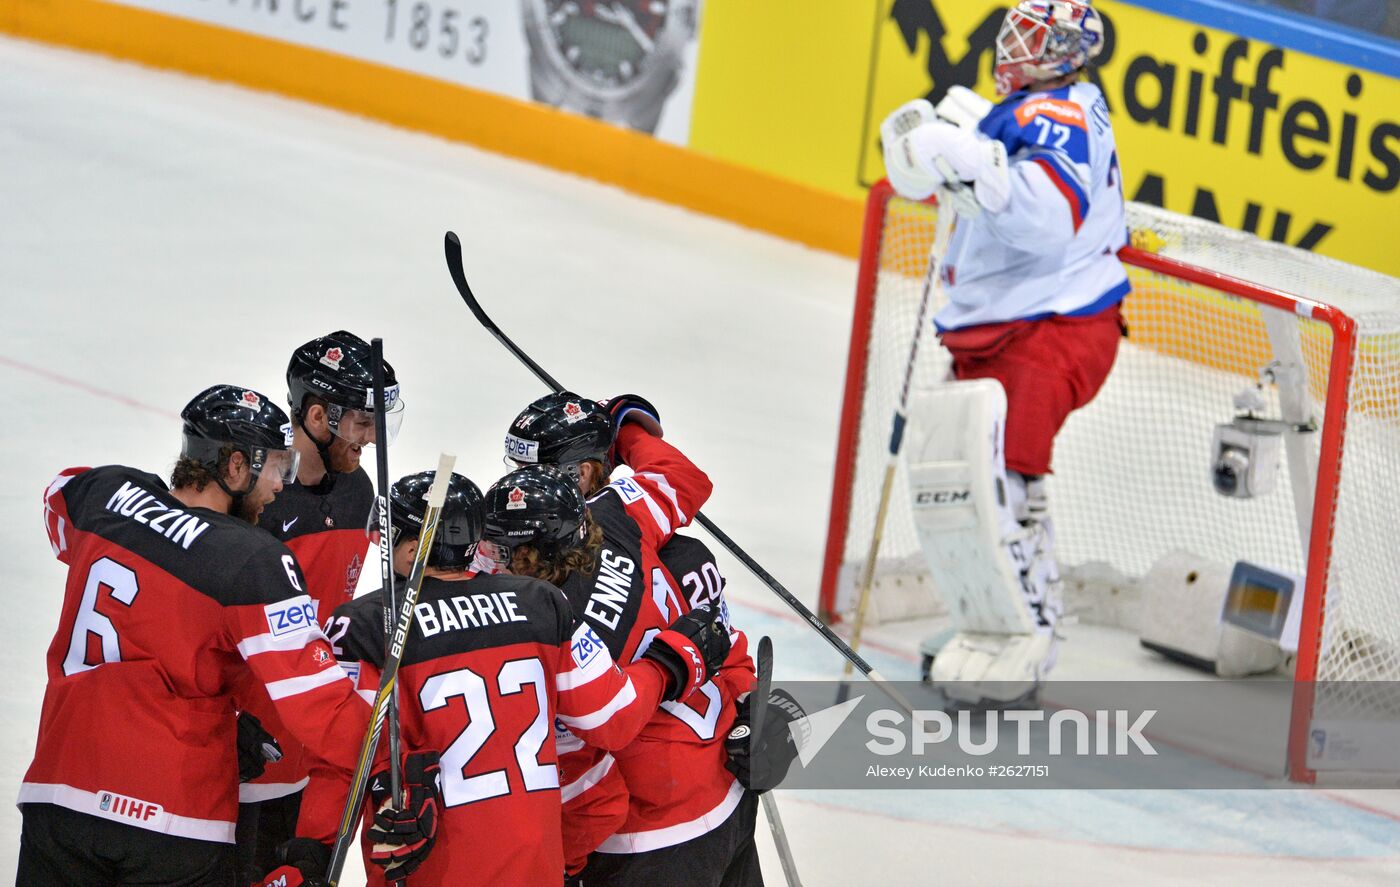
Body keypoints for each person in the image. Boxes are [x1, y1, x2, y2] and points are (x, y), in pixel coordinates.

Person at [17, 385, 376, 885]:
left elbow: (57, 500)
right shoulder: (252, 558)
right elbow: (319, 703)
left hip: (59, 799)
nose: (280, 485)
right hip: (174, 820)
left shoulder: (105, 495)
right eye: (275, 466)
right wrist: (393, 754)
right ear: (234, 467)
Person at [881, 0, 1127, 701]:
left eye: (1031, 37)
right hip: (1005, 323)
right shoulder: (1018, 109)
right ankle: (998, 623)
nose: (1010, 46)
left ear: (1065, 53)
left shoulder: (1065, 116)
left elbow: (1047, 219)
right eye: (1012, 29)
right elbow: (962, 186)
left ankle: (1029, 636)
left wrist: (976, 165)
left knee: (1003, 486)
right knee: (976, 484)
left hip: (1052, 325)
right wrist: (946, 159)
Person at [325, 464, 732, 884]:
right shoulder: (543, 605)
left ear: (412, 550)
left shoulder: (364, 625)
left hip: (434, 869)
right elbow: (610, 728)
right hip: (534, 866)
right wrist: (672, 662)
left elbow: (339, 758)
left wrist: (316, 845)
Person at [497, 392, 761, 885]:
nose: (518, 483)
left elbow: (594, 737)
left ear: (583, 476)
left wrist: (563, 864)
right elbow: (683, 478)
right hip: (723, 790)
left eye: (537, 471)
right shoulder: (623, 512)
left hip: (646, 832)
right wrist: (622, 430)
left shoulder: (537, 591)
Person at [235, 330, 404, 882]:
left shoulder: (358, 491)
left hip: (312, 748)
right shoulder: (254, 498)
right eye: (361, 422)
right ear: (315, 416)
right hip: (235, 751)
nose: (371, 439)